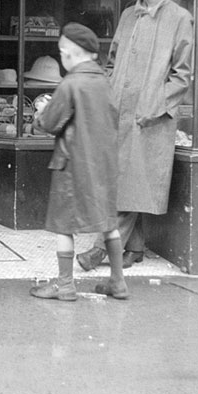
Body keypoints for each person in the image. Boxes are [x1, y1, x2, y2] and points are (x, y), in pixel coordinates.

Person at [75, 0, 193, 272]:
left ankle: (100, 249)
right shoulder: (129, 15)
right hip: (120, 112)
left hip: (150, 118)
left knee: (129, 183)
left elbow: (182, 75)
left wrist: (154, 105)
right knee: (127, 182)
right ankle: (136, 248)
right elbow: (112, 61)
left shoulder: (179, 18)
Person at [30, 22, 128, 301]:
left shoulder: (70, 83)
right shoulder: (104, 81)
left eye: (62, 52)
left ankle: (65, 285)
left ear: (69, 52)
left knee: (64, 225)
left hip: (71, 166)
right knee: (108, 222)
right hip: (103, 166)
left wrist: (40, 111)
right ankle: (118, 282)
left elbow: (50, 122)